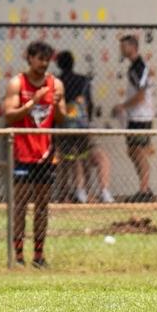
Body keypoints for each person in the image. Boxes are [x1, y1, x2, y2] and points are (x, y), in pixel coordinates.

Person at [3, 41, 67, 268]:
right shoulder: (17, 83)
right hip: (22, 153)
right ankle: (18, 257)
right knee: (20, 205)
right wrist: (32, 103)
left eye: (46, 59)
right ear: (29, 57)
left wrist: (58, 106)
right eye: (39, 58)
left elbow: (61, 119)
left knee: (42, 207)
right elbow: (9, 115)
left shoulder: (55, 84)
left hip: (46, 155)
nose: (43, 63)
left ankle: (39, 256)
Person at [55, 50, 114, 204]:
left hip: (63, 127)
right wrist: (86, 119)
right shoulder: (83, 81)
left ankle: (65, 192)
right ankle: (89, 191)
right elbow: (90, 104)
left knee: (67, 160)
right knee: (83, 155)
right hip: (81, 126)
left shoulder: (57, 81)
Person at [114, 35, 154, 202]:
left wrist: (122, 106)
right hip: (134, 116)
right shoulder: (133, 67)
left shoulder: (139, 67)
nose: (121, 50)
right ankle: (144, 187)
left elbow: (141, 95)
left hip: (141, 116)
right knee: (132, 151)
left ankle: (144, 190)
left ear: (133, 46)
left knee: (138, 152)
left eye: (124, 46)